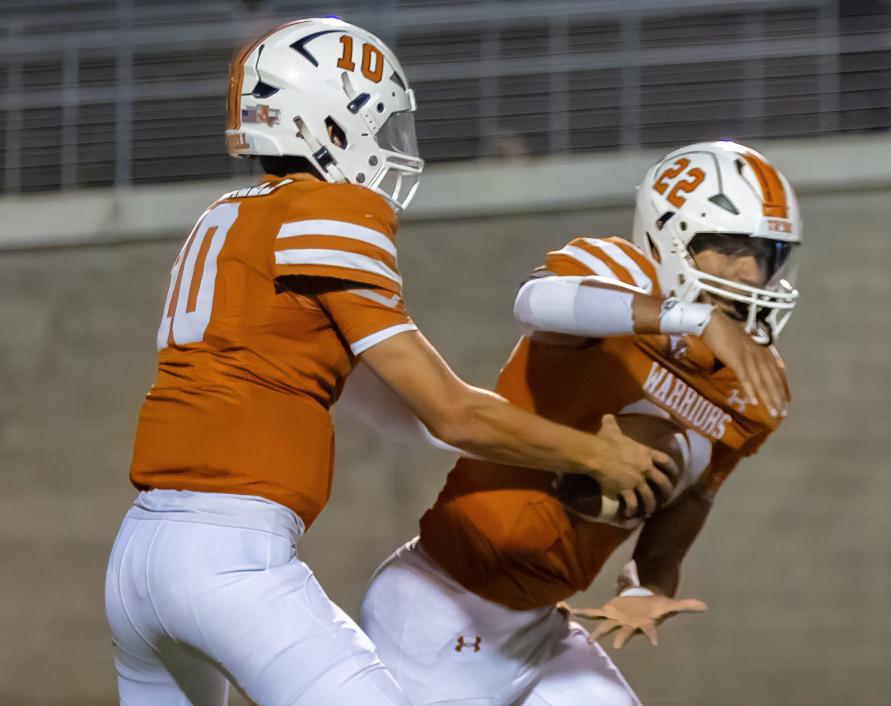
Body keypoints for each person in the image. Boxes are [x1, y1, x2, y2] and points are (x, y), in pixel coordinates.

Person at [103, 18, 673, 706]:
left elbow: (407, 415)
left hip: (138, 559)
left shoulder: (227, 216)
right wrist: (590, 453)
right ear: (332, 125)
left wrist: (527, 442)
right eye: (379, 125)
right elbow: (450, 412)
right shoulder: (328, 210)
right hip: (230, 559)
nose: (391, 149)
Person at [360, 141, 800, 705]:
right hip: (439, 607)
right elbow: (539, 301)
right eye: (730, 247)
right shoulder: (620, 276)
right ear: (673, 235)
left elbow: (681, 514)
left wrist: (649, 585)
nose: (750, 270)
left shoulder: (755, 389)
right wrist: (686, 318)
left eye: (766, 252)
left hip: (538, 626)